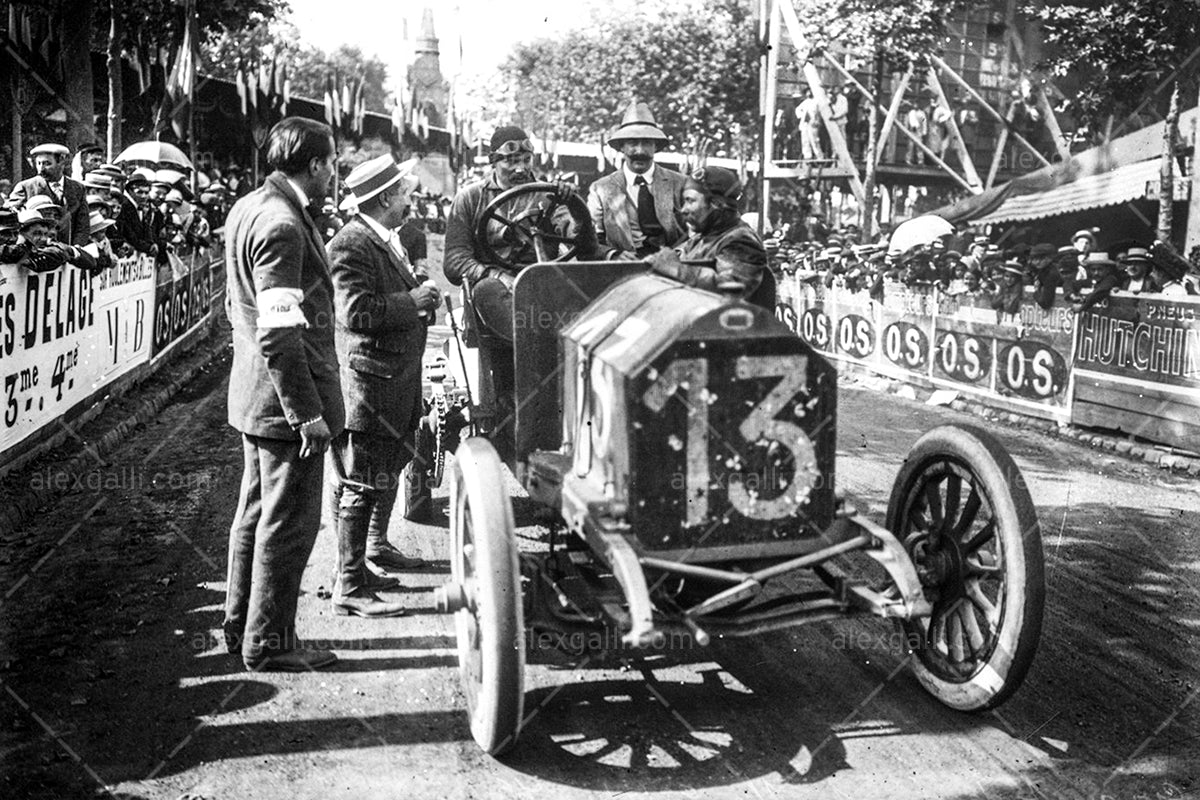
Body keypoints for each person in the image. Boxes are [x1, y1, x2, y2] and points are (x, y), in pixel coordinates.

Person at [223, 116, 343, 672]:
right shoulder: (283, 224)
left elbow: (241, 309)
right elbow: (278, 332)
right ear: (314, 164)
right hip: (283, 404)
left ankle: (240, 624)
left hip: (256, 396)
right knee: (288, 524)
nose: (334, 173)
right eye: (332, 163)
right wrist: (306, 413)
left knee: (255, 514)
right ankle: (269, 642)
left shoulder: (250, 207)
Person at [325, 156, 439, 618]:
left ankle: (371, 551)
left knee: (382, 470)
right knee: (360, 481)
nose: (412, 200)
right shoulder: (350, 243)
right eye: (406, 193)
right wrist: (412, 300)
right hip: (368, 386)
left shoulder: (383, 238)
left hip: (391, 379)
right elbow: (355, 312)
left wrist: (418, 296)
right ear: (387, 197)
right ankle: (349, 584)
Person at [444, 125, 591, 346]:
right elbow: (455, 261)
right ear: (493, 162)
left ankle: (556, 347)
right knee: (487, 290)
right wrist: (497, 276)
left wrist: (574, 209)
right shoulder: (470, 198)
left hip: (541, 284)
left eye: (526, 160)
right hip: (494, 291)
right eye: (511, 161)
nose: (520, 169)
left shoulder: (550, 195)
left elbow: (577, 239)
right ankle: (535, 346)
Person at [646, 166, 769, 305]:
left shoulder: (740, 241)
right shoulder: (702, 238)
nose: (684, 209)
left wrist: (677, 269)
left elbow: (731, 288)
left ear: (716, 204)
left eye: (690, 201)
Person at [587, 101, 687, 259]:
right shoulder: (600, 189)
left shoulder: (680, 184)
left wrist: (678, 254)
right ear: (622, 147)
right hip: (623, 269)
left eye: (646, 143)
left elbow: (699, 232)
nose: (640, 151)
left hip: (673, 265)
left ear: (655, 147)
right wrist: (613, 255)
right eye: (633, 143)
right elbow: (590, 240)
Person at [8, 143, 90, 247]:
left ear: (61, 161)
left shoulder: (78, 188)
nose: (41, 169)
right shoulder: (26, 187)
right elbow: (11, 217)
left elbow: (83, 225)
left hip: (67, 249)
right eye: (38, 163)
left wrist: (76, 248)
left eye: (47, 163)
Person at [796, 88, 825, 160]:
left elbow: (820, 113)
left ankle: (819, 157)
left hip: (813, 124)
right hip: (805, 124)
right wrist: (802, 116)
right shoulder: (805, 102)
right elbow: (797, 110)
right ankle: (807, 156)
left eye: (810, 92)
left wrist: (817, 121)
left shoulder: (816, 102)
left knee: (815, 141)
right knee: (805, 141)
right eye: (807, 92)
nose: (809, 93)